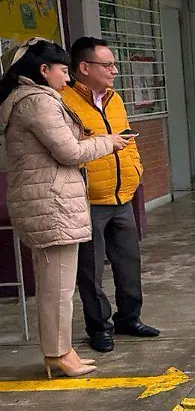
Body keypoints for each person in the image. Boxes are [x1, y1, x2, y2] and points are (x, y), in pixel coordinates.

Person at [0, 39, 128, 377]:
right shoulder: (38, 101)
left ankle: (61, 350)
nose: (68, 78)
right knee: (57, 287)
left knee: (56, 285)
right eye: (63, 70)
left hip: (48, 201)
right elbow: (69, 152)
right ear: (44, 70)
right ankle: (58, 353)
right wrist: (107, 142)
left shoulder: (29, 99)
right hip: (51, 203)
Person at [61, 37, 159, 353]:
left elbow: (127, 139)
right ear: (84, 67)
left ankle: (129, 318)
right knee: (90, 269)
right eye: (107, 65)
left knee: (129, 262)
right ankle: (99, 327)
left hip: (122, 197)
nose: (114, 70)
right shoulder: (64, 101)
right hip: (88, 200)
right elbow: (67, 150)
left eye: (114, 64)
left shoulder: (115, 99)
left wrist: (136, 169)